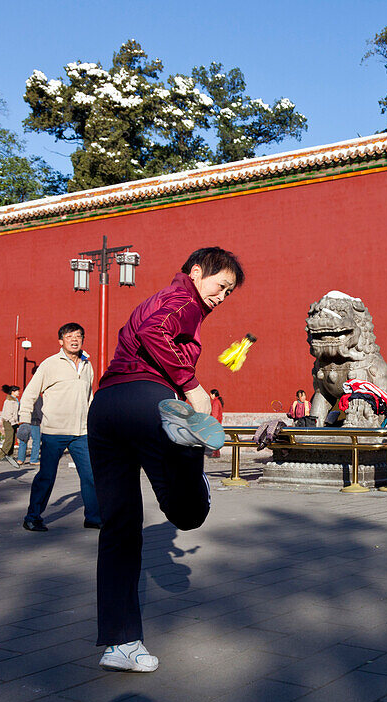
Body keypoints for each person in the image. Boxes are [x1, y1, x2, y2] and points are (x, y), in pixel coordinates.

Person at [89, 246, 242, 673]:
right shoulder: (184, 300)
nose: (222, 296)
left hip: (105, 407)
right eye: (220, 285)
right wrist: (191, 386)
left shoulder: (154, 298)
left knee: (118, 528)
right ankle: (192, 453)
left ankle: (121, 643)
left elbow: (140, 330)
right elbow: (158, 331)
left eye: (229, 292)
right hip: (149, 400)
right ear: (195, 271)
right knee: (189, 514)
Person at [20, 323, 100, 532]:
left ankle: (93, 517)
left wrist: (94, 424)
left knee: (91, 476)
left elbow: (89, 397)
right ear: (60, 341)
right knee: (46, 476)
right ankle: (32, 517)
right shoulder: (50, 364)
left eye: (78, 336)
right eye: (69, 336)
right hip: (54, 431)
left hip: (81, 433)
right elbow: (30, 393)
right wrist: (24, 421)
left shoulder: (87, 365)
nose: (74, 340)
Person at [0, 385, 21, 466]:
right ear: (13, 392)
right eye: (17, 391)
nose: (19, 392)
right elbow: (8, 414)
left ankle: (9, 455)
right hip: (8, 422)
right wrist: (13, 423)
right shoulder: (9, 401)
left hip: (13, 422)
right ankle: (2, 455)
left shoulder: (15, 400)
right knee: (9, 439)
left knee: (13, 438)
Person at [16, 396, 43, 465]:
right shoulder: (37, 397)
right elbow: (39, 409)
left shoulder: (24, 397)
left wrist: (19, 420)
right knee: (36, 441)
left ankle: (20, 459)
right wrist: (41, 420)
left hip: (24, 421)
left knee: (23, 440)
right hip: (34, 421)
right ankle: (34, 460)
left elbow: (19, 409)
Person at [208, 389, 224, 458]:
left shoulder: (215, 402)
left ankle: (215, 453)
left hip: (215, 423)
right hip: (218, 422)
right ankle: (216, 453)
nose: (210, 396)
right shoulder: (217, 401)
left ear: (213, 394)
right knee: (216, 438)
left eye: (211, 394)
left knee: (214, 438)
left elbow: (215, 414)